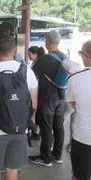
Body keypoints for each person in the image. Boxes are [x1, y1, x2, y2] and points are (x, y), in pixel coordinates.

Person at [0, 35, 38, 180]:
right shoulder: (27, 70)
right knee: (12, 171)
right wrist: (28, 122)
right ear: (15, 50)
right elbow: (33, 102)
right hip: (20, 129)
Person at [29, 30, 67, 167]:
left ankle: (45, 158)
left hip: (47, 99)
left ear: (48, 42)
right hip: (61, 98)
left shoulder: (45, 59)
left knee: (46, 128)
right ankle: (57, 155)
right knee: (59, 127)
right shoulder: (65, 57)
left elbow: (32, 77)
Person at [67, 40, 91, 180]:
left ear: (86, 56)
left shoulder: (74, 79)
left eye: (81, 53)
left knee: (80, 175)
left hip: (83, 136)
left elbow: (72, 104)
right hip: (82, 136)